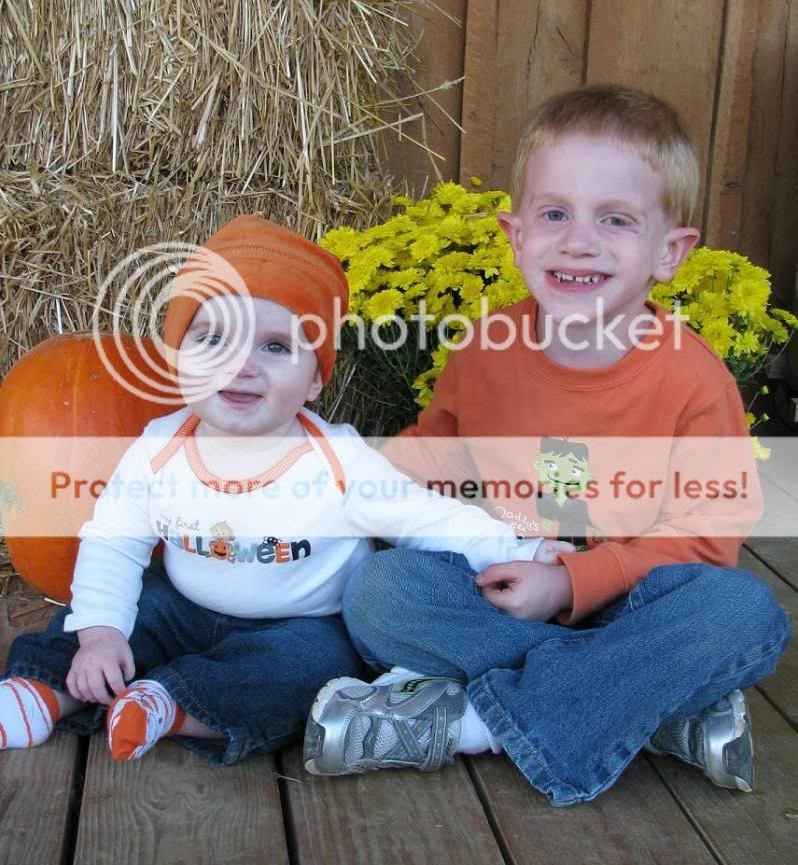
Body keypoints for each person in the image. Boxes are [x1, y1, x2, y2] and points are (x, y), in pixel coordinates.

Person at [303, 84, 792, 804]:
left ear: (669, 252)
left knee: (742, 612)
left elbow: (706, 539)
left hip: (637, 604)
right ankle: (652, 705)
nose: (578, 240)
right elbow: (434, 457)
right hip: (505, 586)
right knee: (379, 592)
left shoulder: (694, 381)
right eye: (555, 213)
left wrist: (570, 583)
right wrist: (334, 477)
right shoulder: (487, 350)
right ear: (516, 235)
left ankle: (474, 724)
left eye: (615, 219)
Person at [0, 215, 571, 764]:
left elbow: (429, 519)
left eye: (274, 347)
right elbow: (114, 543)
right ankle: (44, 692)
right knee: (107, 617)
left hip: (299, 624)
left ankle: (169, 706)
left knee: (306, 672)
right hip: (180, 604)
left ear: (316, 379)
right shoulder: (159, 448)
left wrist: (520, 550)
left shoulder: (339, 462)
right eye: (211, 338)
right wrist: (101, 632)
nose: (241, 365)